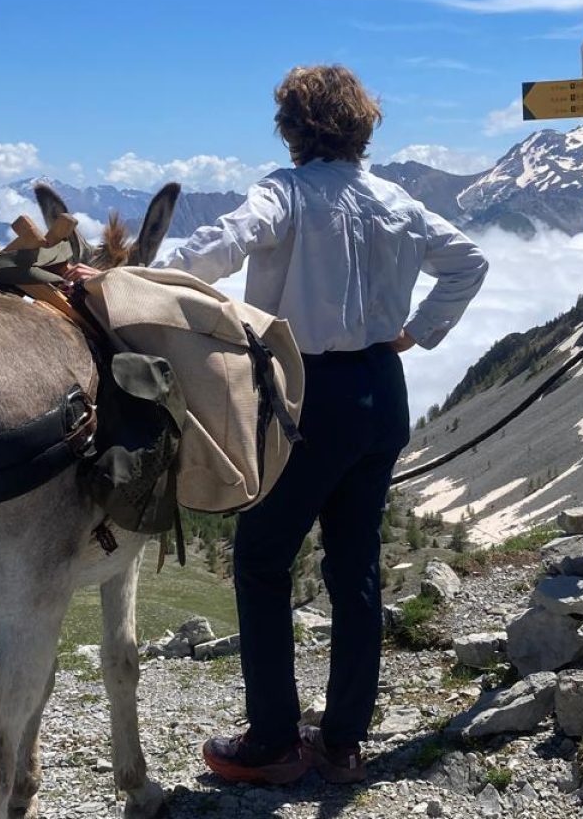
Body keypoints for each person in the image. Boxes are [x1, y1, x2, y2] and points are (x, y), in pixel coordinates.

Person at [157, 64, 488, 786]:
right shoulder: (395, 200)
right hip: (382, 389)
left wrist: (141, 278)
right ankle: (342, 740)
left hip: (305, 394)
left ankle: (273, 739)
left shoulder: (287, 193)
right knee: (354, 566)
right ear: (363, 126)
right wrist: (418, 332)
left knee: (263, 556)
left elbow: (220, 246)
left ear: (294, 128)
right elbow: (469, 261)